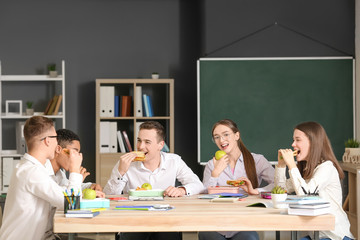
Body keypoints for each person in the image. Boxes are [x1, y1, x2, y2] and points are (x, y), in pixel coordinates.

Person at [104, 121, 204, 240]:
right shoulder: (125, 163)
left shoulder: (174, 161)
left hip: (165, 222)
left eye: (147, 142)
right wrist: (120, 172)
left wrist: (182, 190)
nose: (141, 146)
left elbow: (198, 185)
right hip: (133, 222)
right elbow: (108, 195)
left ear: (160, 145)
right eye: (139, 140)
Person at [0, 116, 83, 240]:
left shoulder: (32, 168)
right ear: (48, 141)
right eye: (55, 138)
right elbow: (72, 204)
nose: (57, 144)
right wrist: (75, 169)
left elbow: (62, 194)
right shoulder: (32, 172)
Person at [276, 121, 354, 240]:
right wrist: (281, 166)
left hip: (335, 236)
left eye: (298, 140)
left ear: (313, 143)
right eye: (293, 140)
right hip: (317, 234)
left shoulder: (327, 167)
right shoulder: (306, 169)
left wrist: (292, 165)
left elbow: (306, 195)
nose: (293, 144)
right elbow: (281, 190)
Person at [200, 119, 275, 240]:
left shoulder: (258, 160)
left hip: (244, 224)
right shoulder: (212, 164)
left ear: (237, 135)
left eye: (226, 134)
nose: (221, 140)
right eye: (217, 137)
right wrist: (215, 173)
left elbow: (279, 185)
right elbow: (203, 193)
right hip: (216, 223)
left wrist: (256, 191)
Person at [44, 128, 105, 240]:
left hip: (53, 234)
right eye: (74, 151)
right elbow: (71, 202)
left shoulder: (59, 173)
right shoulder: (43, 174)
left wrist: (90, 186)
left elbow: (66, 187)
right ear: (59, 149)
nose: (77, 157)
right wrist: (74, 171)